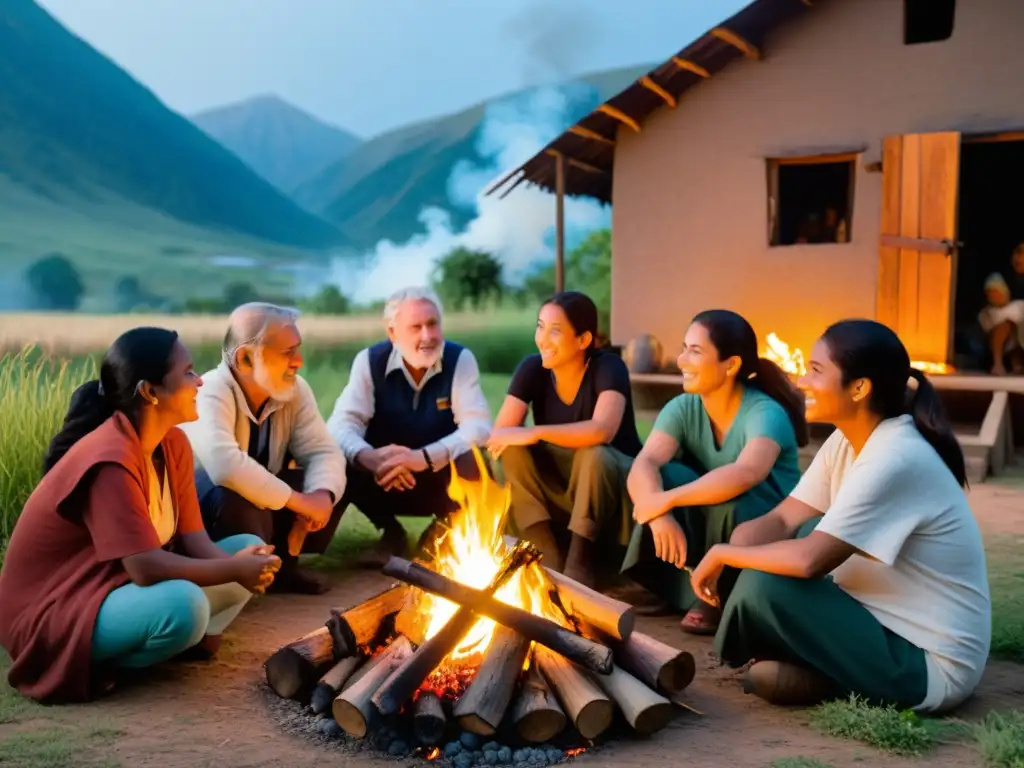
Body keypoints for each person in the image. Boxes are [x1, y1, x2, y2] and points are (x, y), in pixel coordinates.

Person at [689, 319, 991, 713]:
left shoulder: (895, 456)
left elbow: (810, 560)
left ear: (860, 387)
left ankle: (816, 674)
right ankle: (811, 671)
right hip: (877, 622)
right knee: (778, 546)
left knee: (769, 579)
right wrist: (737, 543)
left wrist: (724, 554)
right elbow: (782, 520)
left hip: (929, 664)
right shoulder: (848, 441)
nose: (801, 381)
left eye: (815, 370)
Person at [0, 328, 281, 704]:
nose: (199, 381)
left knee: (249, 547)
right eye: (187, 373)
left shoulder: (173, 441)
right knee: (186, 605)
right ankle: (102, 665)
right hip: (55, 610)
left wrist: (243, 565)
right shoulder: (109, 458)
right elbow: (143, 567)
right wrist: (232, 571)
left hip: (109, 590)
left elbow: (195, 539)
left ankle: (181, 641)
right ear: (150, 391)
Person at [624, 309, 807, 634]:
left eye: (695, 351)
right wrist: (658, 514)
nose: (681, 360)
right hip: (712, 513)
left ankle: (715, 596)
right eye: (683, 348)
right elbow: (644, 463)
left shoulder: (765, 412)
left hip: (764, 521)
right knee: (665, 474)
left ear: (731, 365)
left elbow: (746, 473)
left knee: (725, 497)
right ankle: (661, 585)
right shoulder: (682, 407)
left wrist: (665, 501)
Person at [180, 303, 347, 595]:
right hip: (203, 521)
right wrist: (298, 501)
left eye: (297, 349)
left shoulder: (294, 389)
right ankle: (232, 579)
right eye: (287, 353)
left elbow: (323, 451)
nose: (298, 362)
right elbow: (225, 466)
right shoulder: (209, 390)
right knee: (231, 490)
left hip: (263, 510)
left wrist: (320, 496)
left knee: (329, 476)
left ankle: (283, 567)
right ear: (245, 359)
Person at [326, 286, 492, 567]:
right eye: (416, 327)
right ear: (392, 332)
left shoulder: (459, 359)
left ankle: (444, 530)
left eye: (433, 324)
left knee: (471, 457)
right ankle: (390, 531)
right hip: (383, 479)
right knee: (340, 456)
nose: (427, 336)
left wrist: (422, 458)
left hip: (438, 480)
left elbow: (478, 426)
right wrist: (371, 458)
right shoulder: (369, 361)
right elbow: (340, 425)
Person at [487, 291, 643, 589]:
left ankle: (579, 561)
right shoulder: (533, 368)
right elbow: (501, 436)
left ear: (583, 340)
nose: (543, 339)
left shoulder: (609, 367)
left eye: (555, 331)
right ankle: (545, 551)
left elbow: (602, 431)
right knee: (512, 451)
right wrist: (517, 436)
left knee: (592, 453)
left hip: (614, 486)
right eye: (540, 326)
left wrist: (534, 431)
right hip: (564, 487)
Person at [977, 272, 1024, 375]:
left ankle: (1018, 365)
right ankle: (998, 364)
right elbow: (987, 329)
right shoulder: (987, 313)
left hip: (1018, 341)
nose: (992, 296)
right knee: (1004, 327)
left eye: (995, 292)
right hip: (998, 345)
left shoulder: (1018, 306)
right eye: (989, 293)